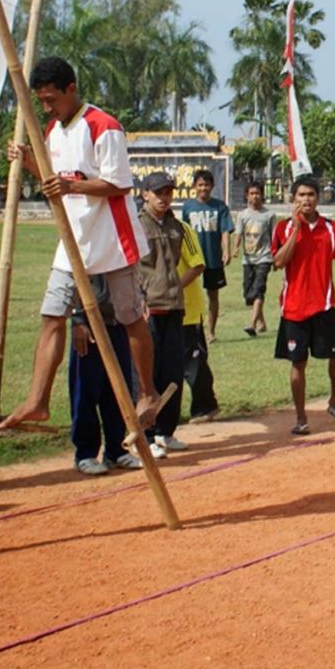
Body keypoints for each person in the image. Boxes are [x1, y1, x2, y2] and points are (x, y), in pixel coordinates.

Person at [0, 57, 161, 431]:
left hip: (112, 239)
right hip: (72, 239)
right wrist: (28, 161)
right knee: (52, 314)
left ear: (71, 89)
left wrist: (72, 186)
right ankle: (38, 400)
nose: (47, 107)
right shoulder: (53, 130)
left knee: (130, 317)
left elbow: (120, 184)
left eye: (52, 98)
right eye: (41, 100)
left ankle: (147, 392)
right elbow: (51, 179)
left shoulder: (104, 127)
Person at [272, 175, 335, 435]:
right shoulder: (283, 228)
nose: (306, 200)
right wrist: (297, 230)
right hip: (294, 309)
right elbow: (278, 262)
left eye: (310, 195)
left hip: (324, 307)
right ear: (293, 199)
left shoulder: (331, 229)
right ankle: (301, 417)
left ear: (318, 198)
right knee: (298, 363)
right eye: (301, 195)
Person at [138, 172, 196, 458]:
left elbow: (186, 263)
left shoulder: (176, 225)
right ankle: (146, 434)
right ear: (145, 194)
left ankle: (166, 432)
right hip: (149, 308)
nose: (164, 197)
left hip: (174, 306)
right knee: (149, 374)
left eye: (168, 192)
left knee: (173, 372)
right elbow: (130, 265)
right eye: (158, 192)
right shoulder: (137, 224)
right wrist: (139, 298)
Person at [68, 274, 142, 475]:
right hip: (89, 322)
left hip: (118, 320)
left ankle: (116, 450)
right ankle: (85, 453)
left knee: (119, 388)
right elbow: (71, 276)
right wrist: (77, 319)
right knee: (86, 389)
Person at [182, 169, 234, 342]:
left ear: (212, 186)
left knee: (213, 295)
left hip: (213, 258)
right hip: (193, 259)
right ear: (195, 187)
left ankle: (211, 331)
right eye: (200, 185)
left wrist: (226, 250)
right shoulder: (188, 206)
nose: (203, 188)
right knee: (191, 294)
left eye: (207, 185)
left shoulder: (220, 206)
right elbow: (183, 231)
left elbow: (225, 230)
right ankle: (194, 329)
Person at [177, 225, 220, 424]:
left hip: (187, 310)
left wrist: (170, 288)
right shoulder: (140, 226)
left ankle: (206, 406)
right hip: (155, 310)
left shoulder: (182, 230)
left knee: (194, 363)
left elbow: (198, 264)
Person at [233, 180, 276, 337]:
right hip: (248, 259)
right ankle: (262, 322)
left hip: (264, 258)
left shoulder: (269, 215)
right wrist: (236, 247)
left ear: (262, 195)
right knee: (248, 294)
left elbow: (274, 237)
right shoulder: (243, 215)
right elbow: (238, 233)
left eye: (257, 193)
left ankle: (252, 324)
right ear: (247, 196)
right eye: (252, 193)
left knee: (258, 290)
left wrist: (275, 257)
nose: (255, 196)